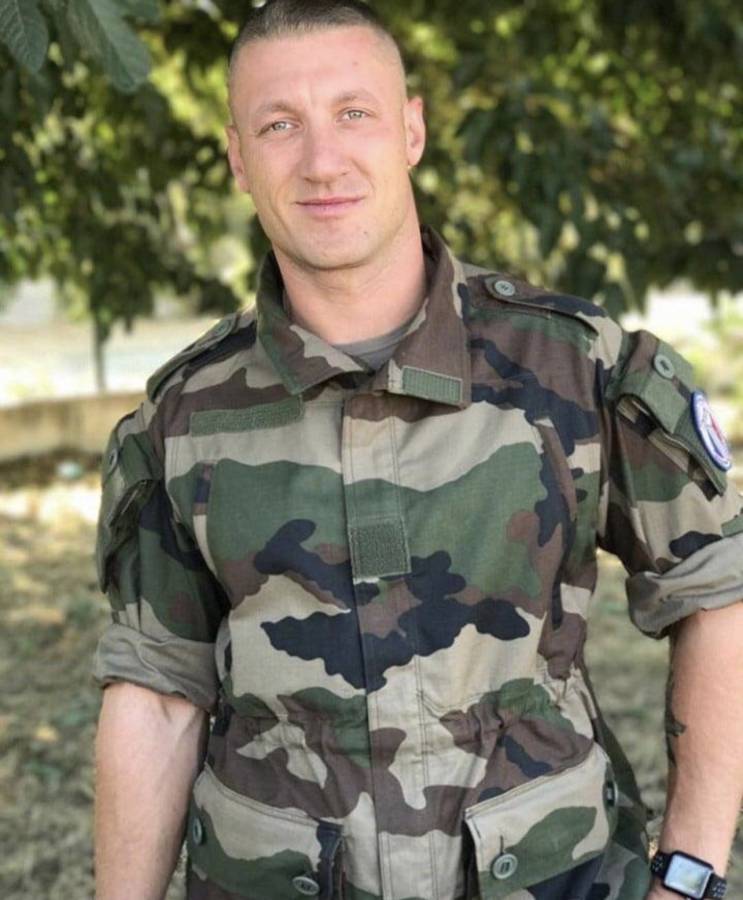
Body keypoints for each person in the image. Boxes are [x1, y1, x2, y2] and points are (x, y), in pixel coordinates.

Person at [91, 2, 743, 899]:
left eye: (352, 112)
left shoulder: (571, 364)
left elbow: (716, 596)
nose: (321, 160)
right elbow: (157, 696)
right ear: (238, 159)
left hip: (552, 874)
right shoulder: (183, 413)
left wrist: (689, 872)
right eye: (279, 125)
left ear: (410, 130)